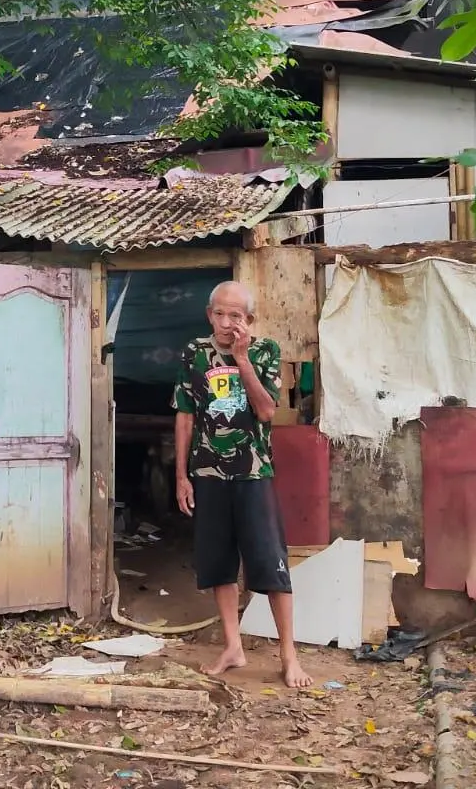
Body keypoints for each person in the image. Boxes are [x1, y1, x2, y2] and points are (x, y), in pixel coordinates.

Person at [173, 280, 311, 688]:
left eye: (236, 315)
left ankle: (289, 655)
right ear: (209, 314)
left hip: (253, 472)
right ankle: (233, 646)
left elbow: (267, 411)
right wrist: (182, 474)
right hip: (208, 473)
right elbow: (183, 415)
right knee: (218, 563)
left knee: (270, 562)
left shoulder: (265, 351)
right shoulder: (194, 353)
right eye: (219, 313)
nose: (226, 321)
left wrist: (242, 359)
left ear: (248, 320)